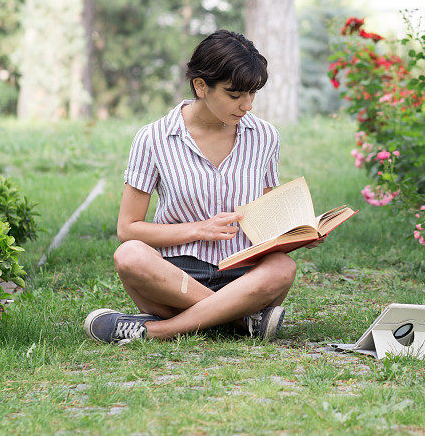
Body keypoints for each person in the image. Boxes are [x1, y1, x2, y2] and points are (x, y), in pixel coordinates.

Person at [83, 30, 305, 345]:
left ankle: (157, 330)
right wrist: (200, 229)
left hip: (245, 276)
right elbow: (128, 228)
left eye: (252, 94)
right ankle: (241, 321)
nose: (247, 105)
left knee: (282, 267)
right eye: (234, 94)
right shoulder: (154, 139)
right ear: (201, 85)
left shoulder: (266, 137)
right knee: (130, 255)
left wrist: (297, 234)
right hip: (176, 279)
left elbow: (268, 219)